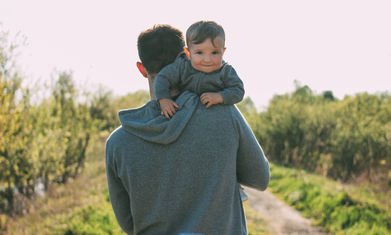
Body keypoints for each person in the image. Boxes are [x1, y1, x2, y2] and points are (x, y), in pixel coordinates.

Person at [105, 24, 270, 235]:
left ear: (142, 69)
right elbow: (260, 178)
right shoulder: (224, 113)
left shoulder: (117, 143)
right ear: (186, 58)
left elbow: (129, 223)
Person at [155, 20, 244, 119]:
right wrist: (164, 99)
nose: (207, 60)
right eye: (200, 53)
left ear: (223, 52)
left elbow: (238, 90)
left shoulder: (225, 71)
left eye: (214, 53)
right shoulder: (182, 66)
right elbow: (163, 78)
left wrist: (219, 97)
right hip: (185, 112)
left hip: (214, 116)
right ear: (188, 53)